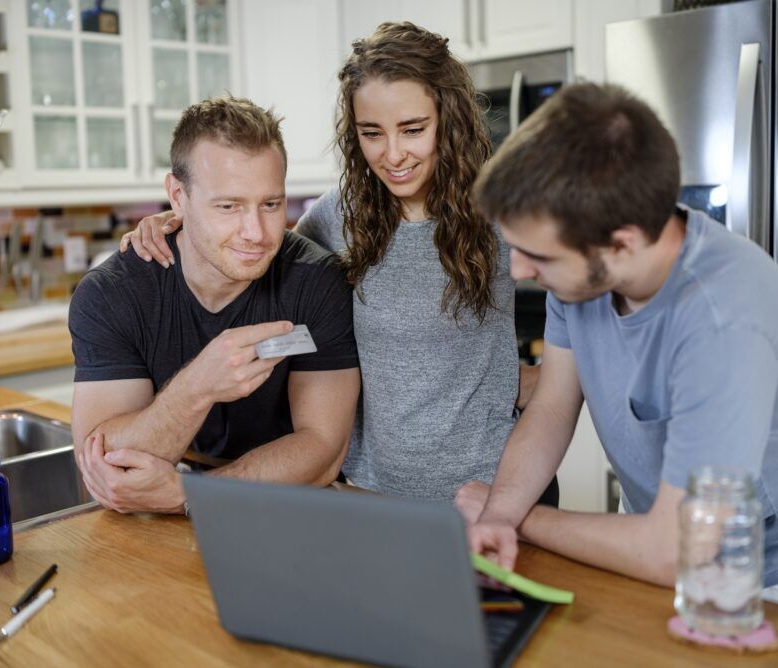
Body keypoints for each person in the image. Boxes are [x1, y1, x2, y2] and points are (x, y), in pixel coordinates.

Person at [458, 82, 778, 619]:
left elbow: (675, 551)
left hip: (769, 566)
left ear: (622, 243)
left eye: (537, 257)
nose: (518, 272)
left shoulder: (725, 315)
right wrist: (499, 512)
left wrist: (518, 519)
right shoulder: (580, 277)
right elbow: (551, 406)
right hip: (653, 527)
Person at [120, 22, 553, 504]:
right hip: (367, 494)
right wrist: (179, 221)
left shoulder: (506, 209)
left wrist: (529, 384)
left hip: (490, 494)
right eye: (372, 133)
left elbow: (593, 323)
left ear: (448, 119)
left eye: (413, 129)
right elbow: (259, 251)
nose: (392, 155)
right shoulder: (341, 213)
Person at [70, 97, 361, 515]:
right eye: (228, 206)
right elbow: (106, 462)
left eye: (271, 204)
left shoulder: (315, 283)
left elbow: (323, 449)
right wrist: (198, 386)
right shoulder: (113, 294)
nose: (256, 233)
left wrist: (193, 494)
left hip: (287, 506)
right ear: (178, 196)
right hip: (151, 518)